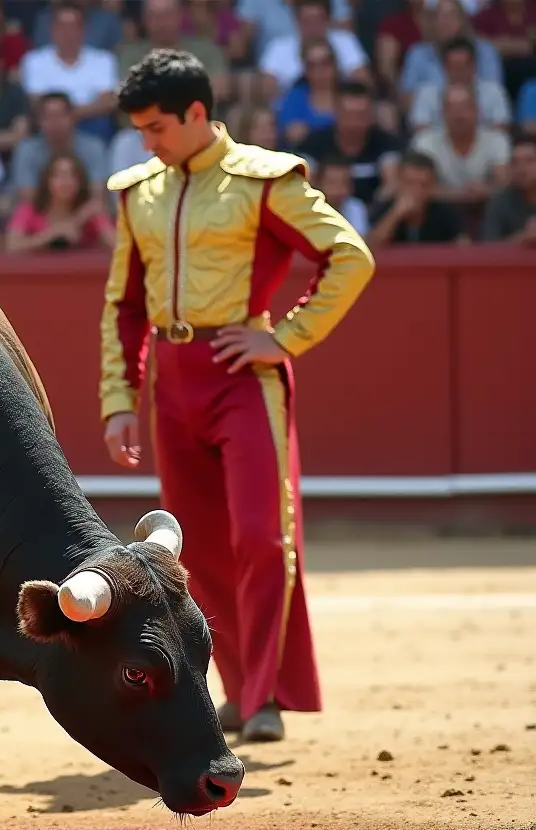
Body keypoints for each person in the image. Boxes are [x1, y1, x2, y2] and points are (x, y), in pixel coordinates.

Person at [99, 49, 375, 741]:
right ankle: (239, 689)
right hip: (173, 380)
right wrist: (120, 398)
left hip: (241, 375)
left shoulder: (265, 180)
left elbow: (350, 255)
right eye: (140, 131)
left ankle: (261, 696)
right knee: (196, 552)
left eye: (157, 127)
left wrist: (284, 337)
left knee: (259, 535)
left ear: (198, 114)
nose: (147, 143)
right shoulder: (140, 193)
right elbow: (123, 306)